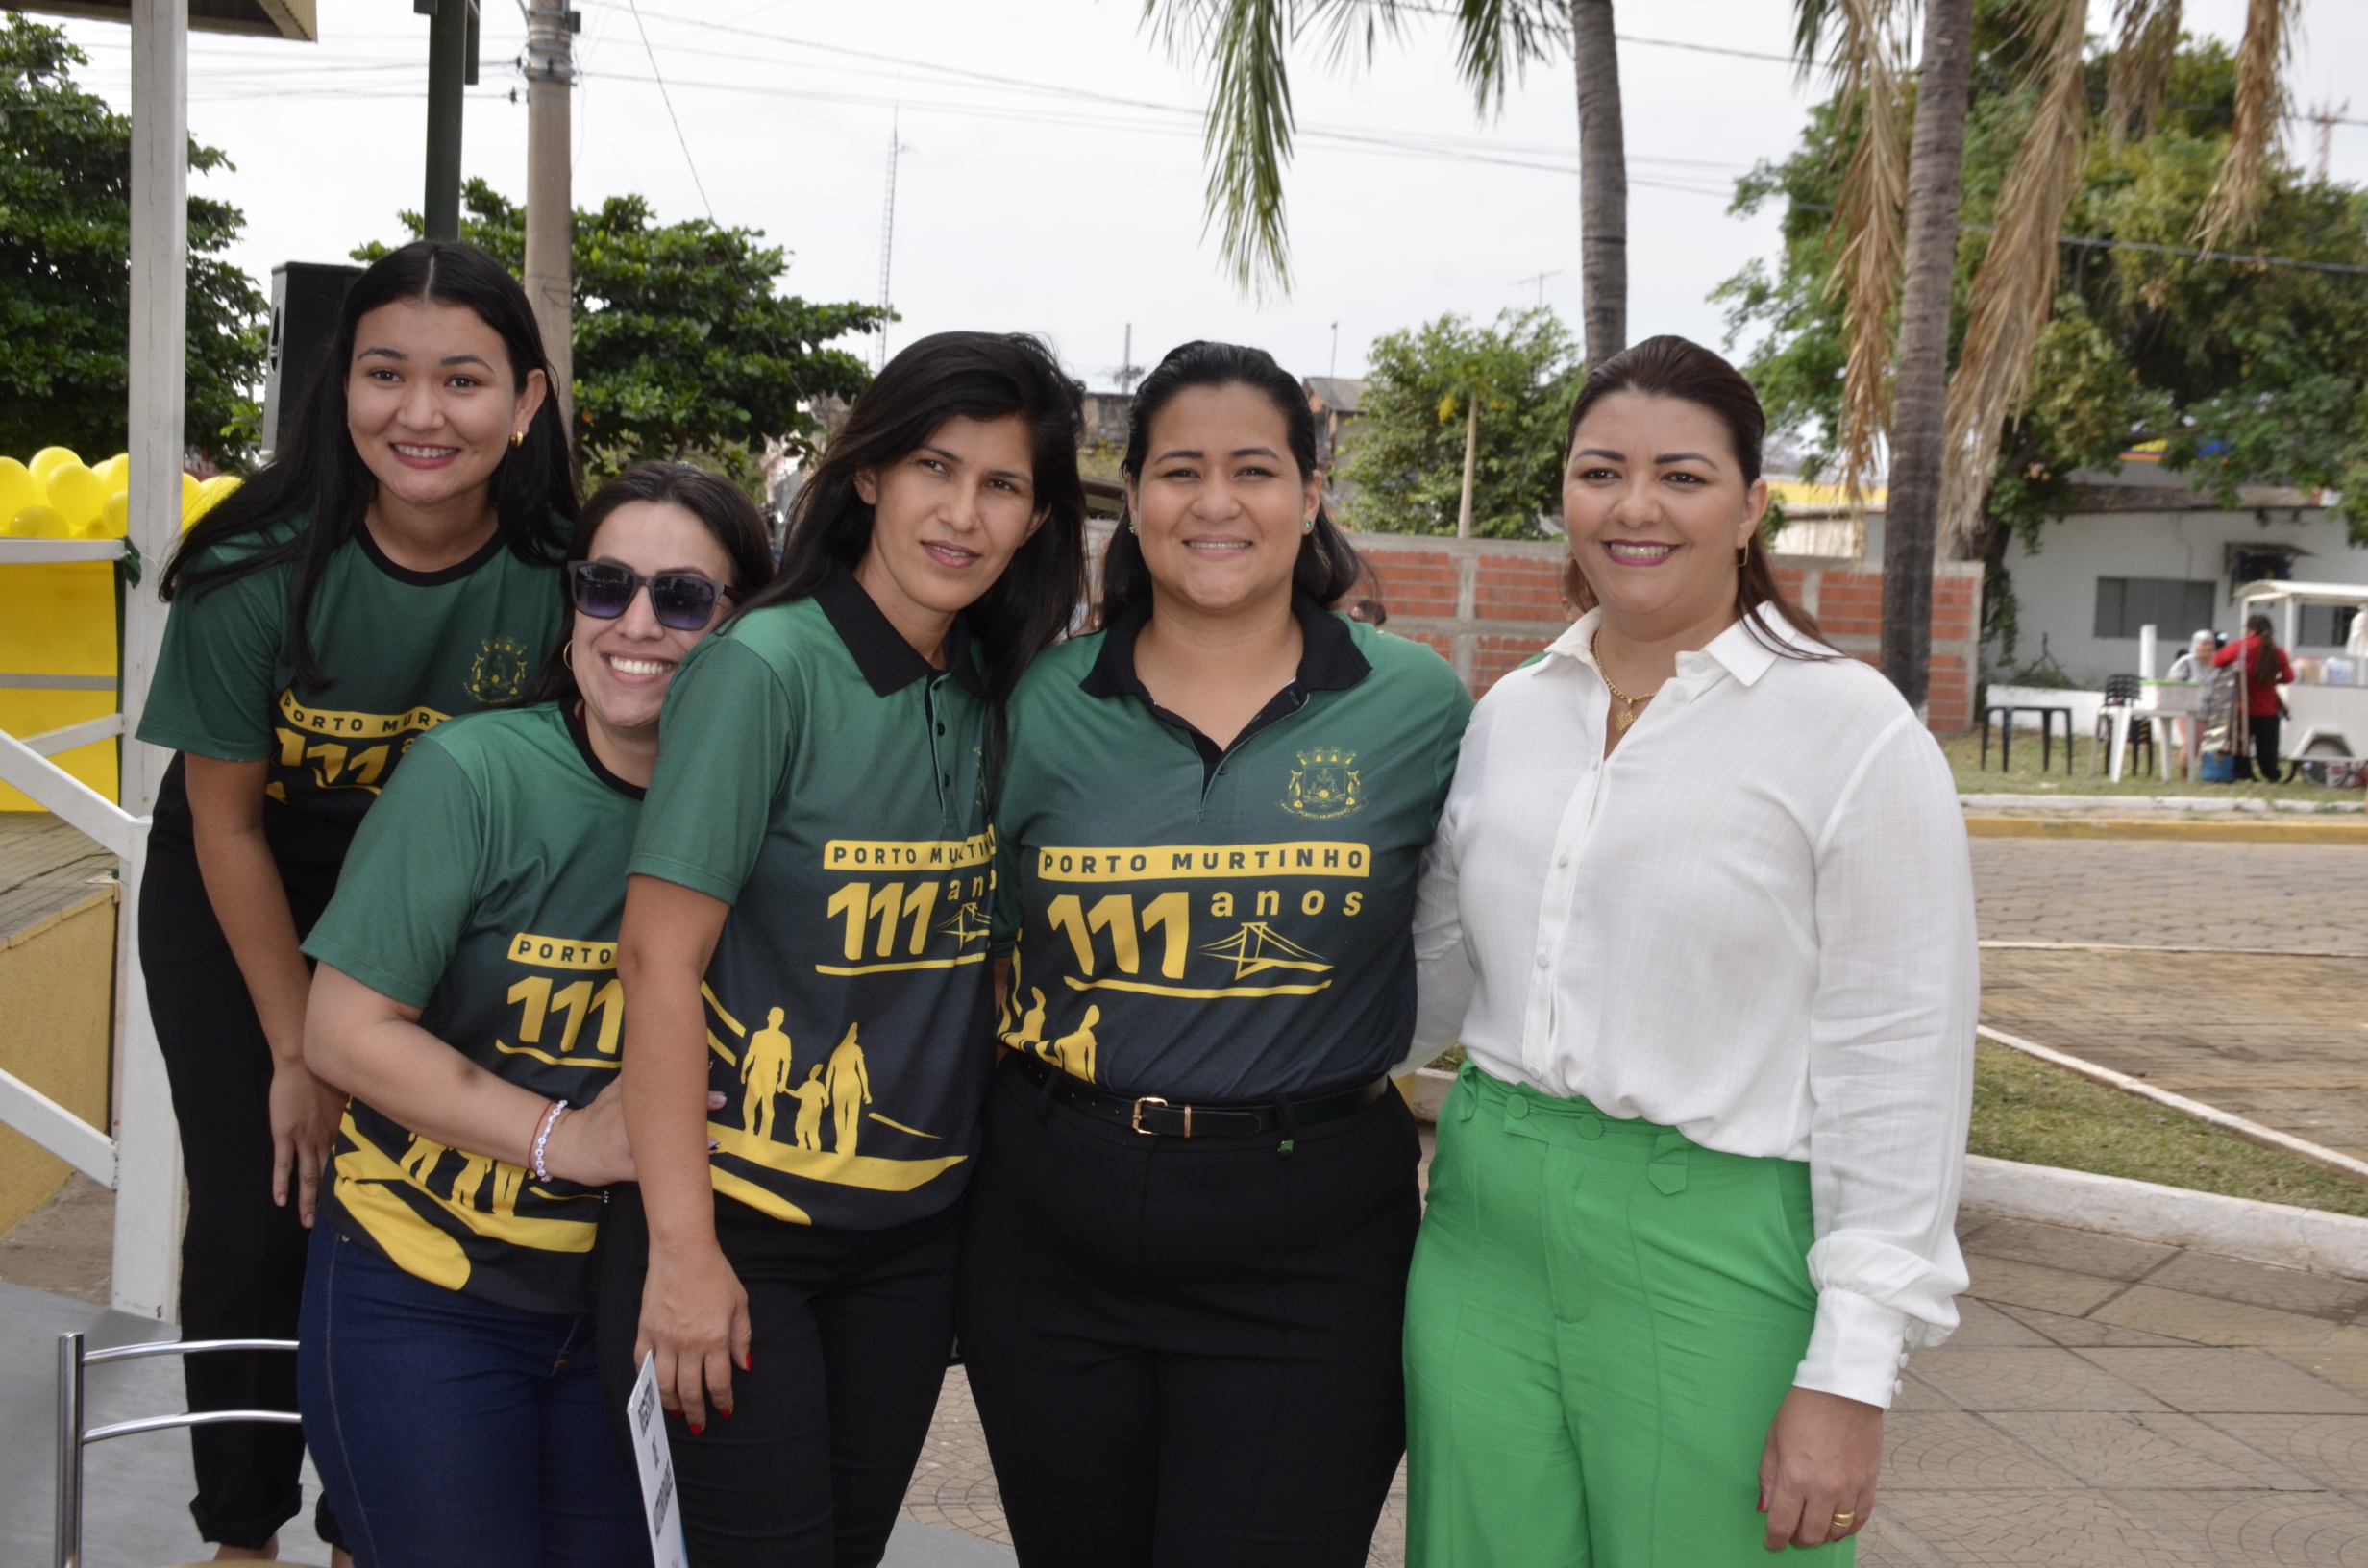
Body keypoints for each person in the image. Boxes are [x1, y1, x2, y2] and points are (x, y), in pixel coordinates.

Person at [1404, 336, 1977, 1565]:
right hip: (1481, 1228)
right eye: (1600, 472)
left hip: (1710, 1242)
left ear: (1751, 505)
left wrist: (1851, 1371)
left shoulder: (1847, 728)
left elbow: (1900, 1056)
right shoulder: (1514, 712)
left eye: (1682, 476)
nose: (1634, 508)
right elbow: (1435, 975)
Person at [958, 340, 1473, 1568]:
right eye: (1180, 470)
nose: (1216, 502)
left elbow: (1476, 932)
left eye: (1254, 468)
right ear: (1131, 500)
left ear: (1309, 492)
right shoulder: (1034, 702)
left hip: (1309, 1230)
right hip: (1052, 1216)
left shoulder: (1421, 707)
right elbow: (964, 953)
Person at [603, 332, 1088, 1566]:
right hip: (746, 1225)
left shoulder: (993, 689)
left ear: (1037, 517)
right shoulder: (764, 669)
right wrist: (684, 1253)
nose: (964, 513)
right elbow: (656, 964)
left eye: (1003, 485)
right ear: (869, 472)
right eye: (936, 466)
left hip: (914, 1241)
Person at [136, 239, 575, 1563]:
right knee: (271, 1192)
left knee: (417, 1198)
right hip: (249, 881)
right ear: (342, 388)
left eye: (462, 380)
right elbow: (222, 824)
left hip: (442, 901)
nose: (421, 414)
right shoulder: (251, 567)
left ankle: (366, 1522)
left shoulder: (565, 576)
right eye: (386, 374)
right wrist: (296, 1048)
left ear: (526, 407)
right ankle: (241, 1531)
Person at [290, 463, 769, 1567]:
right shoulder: (474, 775)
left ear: (744, 625)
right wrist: (569, 1139)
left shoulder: (774, 807)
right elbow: (343, 1033)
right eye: (606, 586)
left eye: (685, 598)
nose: (636, 624)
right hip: (426, 1286)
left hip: (631, 1316)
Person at [2214, 612, 2295, 783]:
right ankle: (2271, 774)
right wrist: (2273, 681)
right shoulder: (2278, 652)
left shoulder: (2240, 647)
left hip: (2243, 708)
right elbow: (2289, 678)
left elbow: (2217, 661)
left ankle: (2243, 774)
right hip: (2268, 708)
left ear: (2250, 630)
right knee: (2268, 746)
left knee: (2241, 743)